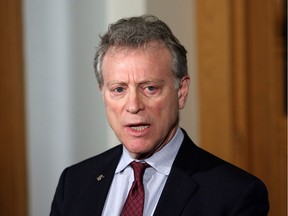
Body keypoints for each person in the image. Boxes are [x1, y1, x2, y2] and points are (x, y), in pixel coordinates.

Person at [50, 15, 269, 216]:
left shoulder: (235, 195)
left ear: (181, 92)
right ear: (103, 95)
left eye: (150, 88)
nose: (133, 106)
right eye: (119, 89)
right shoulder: (74, 183)